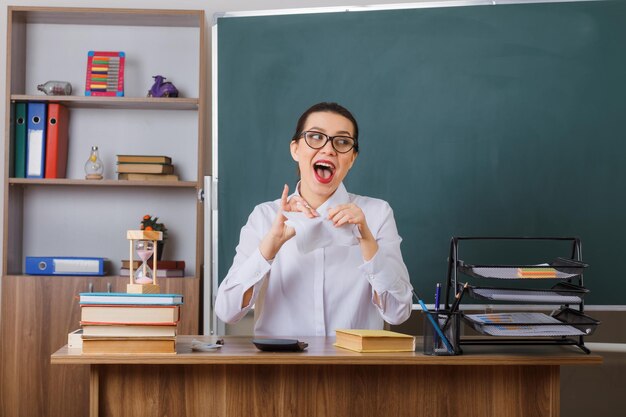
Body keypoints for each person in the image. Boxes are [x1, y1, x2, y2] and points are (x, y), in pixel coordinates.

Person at [215, 102, 413, 336]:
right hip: (281, 368)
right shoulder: (265, 217)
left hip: (354, 367)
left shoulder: (376, 214)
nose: (329, 150)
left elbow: (398, 314)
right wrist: (271, 244)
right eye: (316, 137)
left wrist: (367, 241)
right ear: (295, 149)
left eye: (342, 142)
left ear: (352, 158)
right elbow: (227, 312)